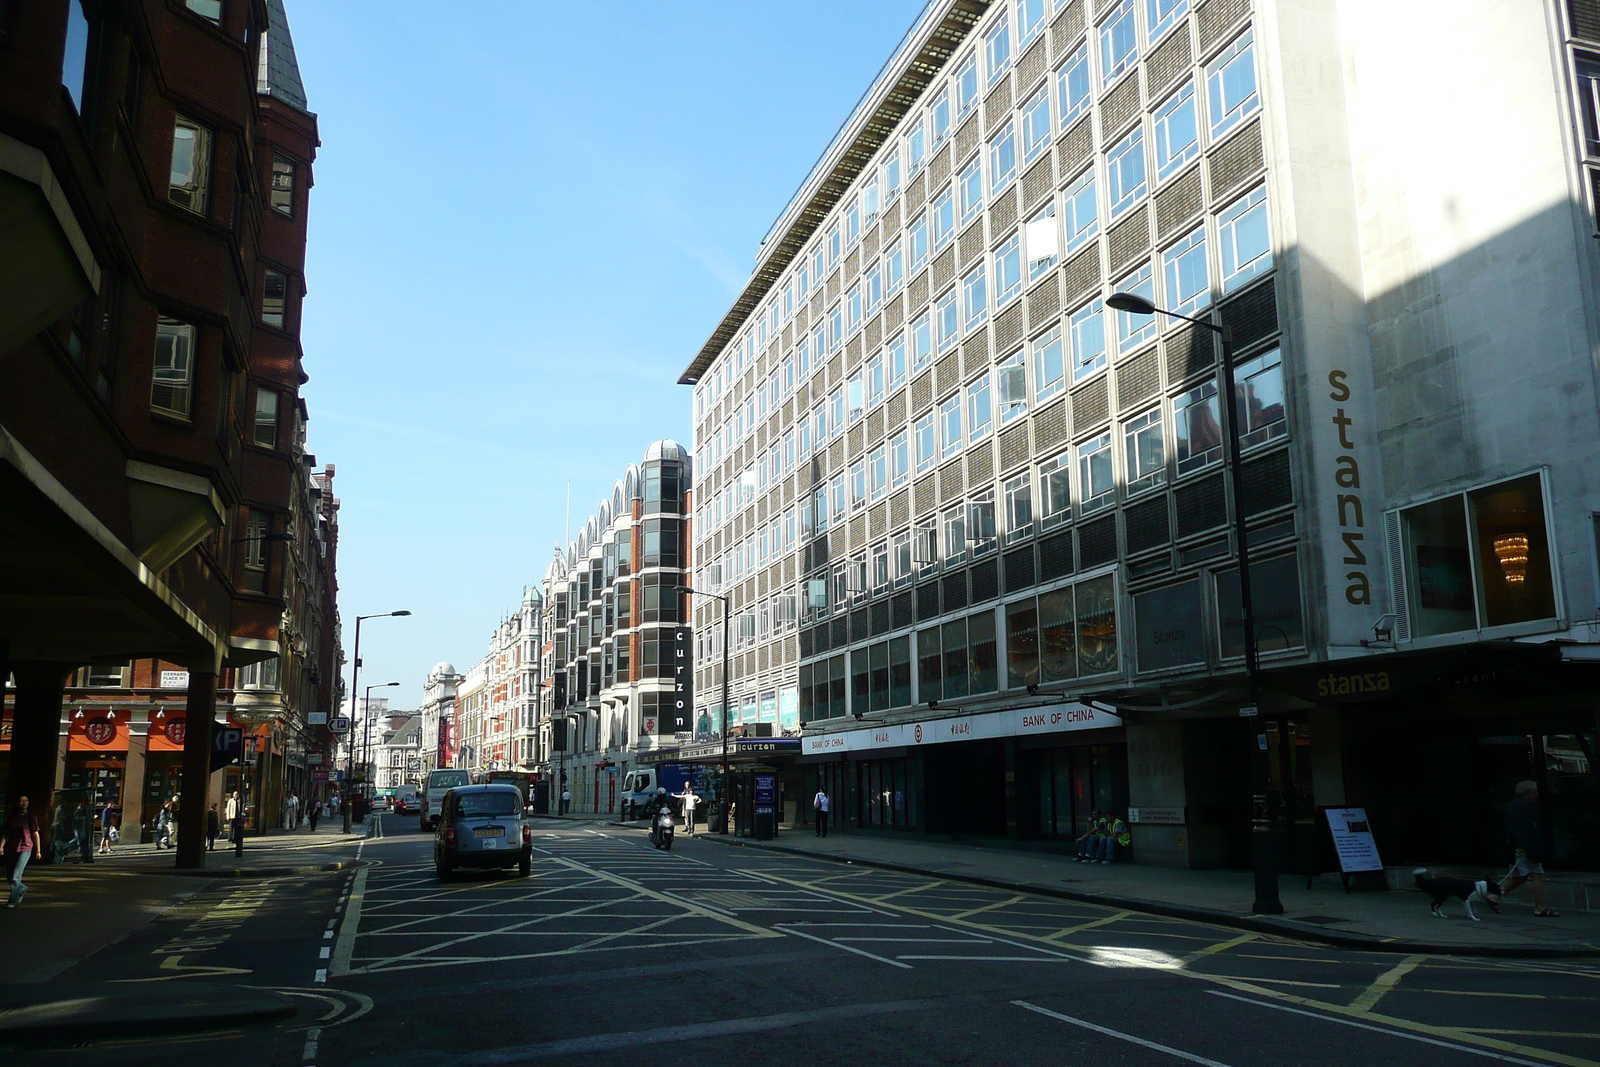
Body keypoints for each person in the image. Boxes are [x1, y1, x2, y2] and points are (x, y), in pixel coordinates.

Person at [1501, 780, 1559, 917]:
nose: (1537, 795)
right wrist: (1522, 846)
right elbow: (1519, 828)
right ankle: (1540, 907)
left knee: (1521, 876)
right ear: (1527, 793)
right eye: (1535, 792)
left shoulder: (1517, 806)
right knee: (1536, 874)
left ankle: (1495, 895)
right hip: (1525, 847)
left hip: (1522, 846)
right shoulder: (1520, 808)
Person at [4, 796, 42, 908]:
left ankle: (12, 901)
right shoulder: (12, 818)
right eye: (21, 801)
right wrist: (1, 846)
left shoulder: (31, 817)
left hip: (25, 848)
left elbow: (35, 834)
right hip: (11, 848)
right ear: (17, 803)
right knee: (9, 876)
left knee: (16, 876)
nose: (24, 803)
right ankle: (21, 888)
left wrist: (38, 851)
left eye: (26, 801)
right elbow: (6, 833)